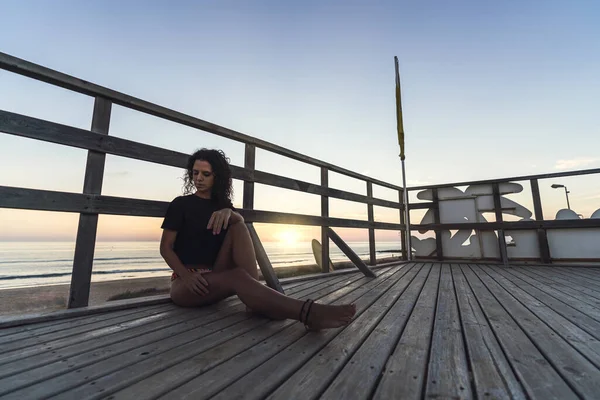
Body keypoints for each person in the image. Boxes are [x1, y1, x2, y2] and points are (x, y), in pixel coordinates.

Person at [160, 148, 356, 330]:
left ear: (217, 177)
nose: (199, 178)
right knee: (237, 276)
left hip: (216, 276)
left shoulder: (222, 206)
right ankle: (307, 313)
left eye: (205, 174)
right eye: (195, 173)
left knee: (239, 225)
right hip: (186, 283)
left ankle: (255, 301)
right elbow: (166, 248)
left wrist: (231, 212)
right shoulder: (181, 204)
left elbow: (239, 226)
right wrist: (185, 275)